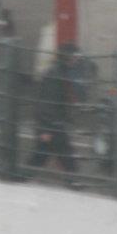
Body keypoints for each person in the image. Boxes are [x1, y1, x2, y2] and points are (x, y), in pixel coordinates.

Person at [29, 42, 86, 179]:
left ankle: (20, 178)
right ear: (68, 57)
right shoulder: (55, 74)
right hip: (52, 125)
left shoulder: (61, 72)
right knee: (63, 155)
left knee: (40, 157)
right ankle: (75, 182)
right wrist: (45, 129)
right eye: (75, 56)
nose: (77, 59)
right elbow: (47, 102)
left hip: (54, 124)